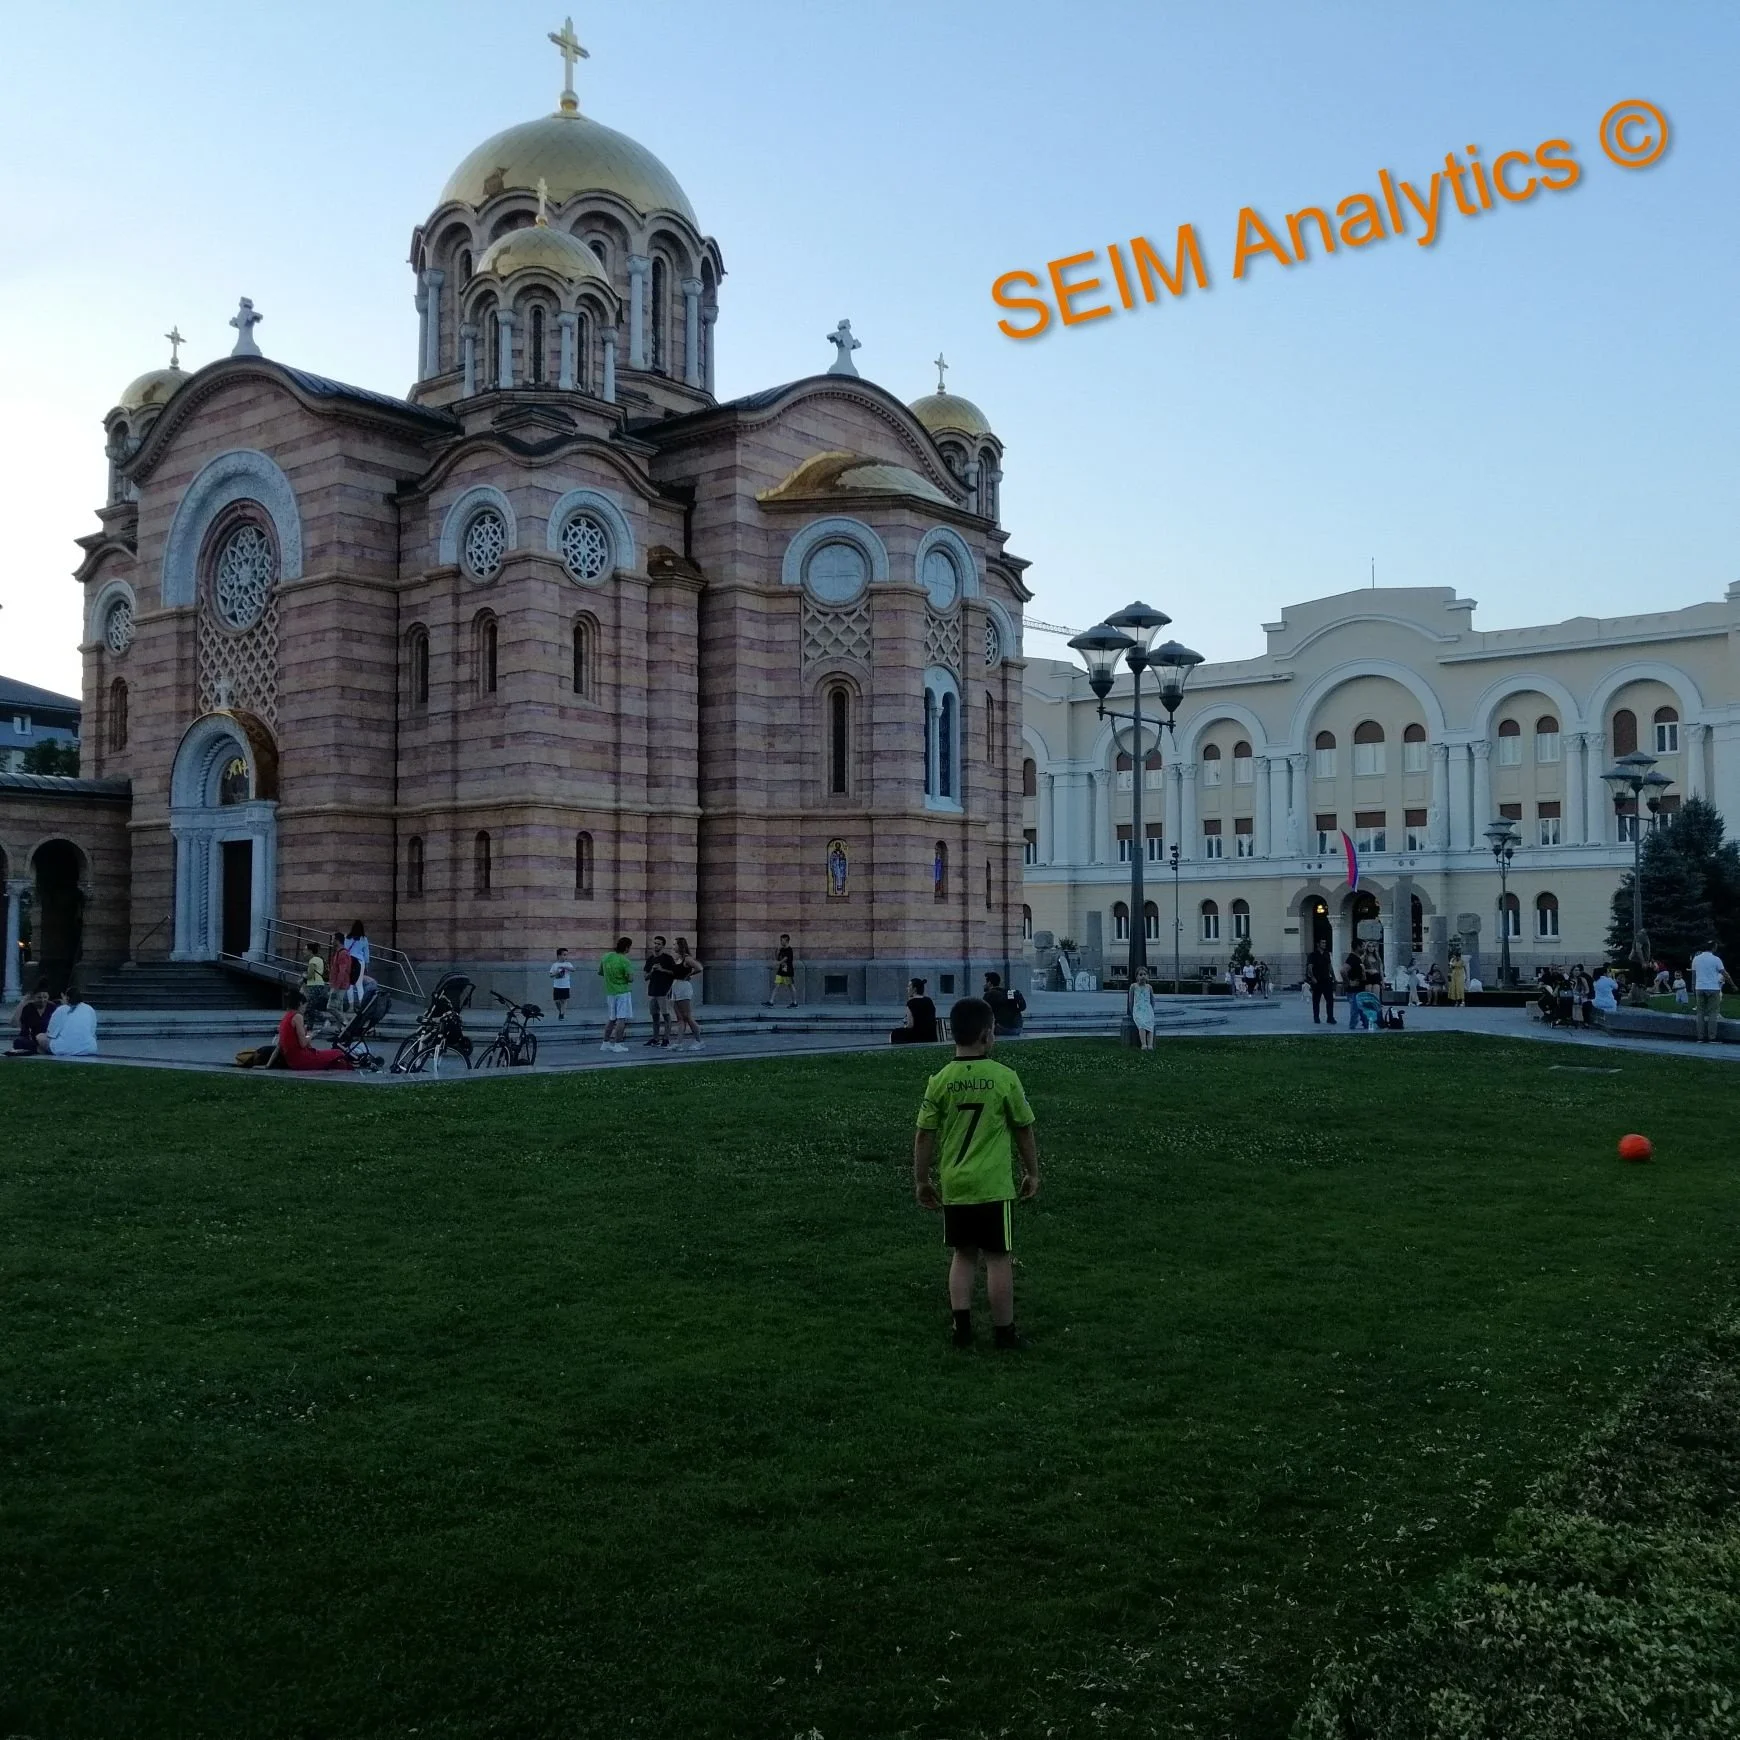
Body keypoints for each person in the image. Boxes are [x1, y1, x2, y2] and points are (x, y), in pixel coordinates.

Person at [912, 997, 1040, 1351]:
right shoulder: (1004, 1078)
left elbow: (925, 1134)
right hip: (993, 1185)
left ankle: (962, 1329)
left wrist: (922, 1180)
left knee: (963, 1254)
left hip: (955, 1183)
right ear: (988, 1034)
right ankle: (1004, 1332)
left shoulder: (940, 1080)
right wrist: (1032, 1172)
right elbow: (1023, 1129)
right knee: (998, 1257)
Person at [275, 990, 354, 1071]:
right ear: (300, 1004)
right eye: (304, 1006)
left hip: (292, 1060)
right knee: (338, 1052)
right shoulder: (297, 1016)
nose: (305, 1009)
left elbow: (280, 1044)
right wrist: (311, 1035)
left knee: (335, 1061)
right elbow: (303, 1043)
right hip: (301, 1059)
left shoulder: (286, 1017)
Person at [1689, 941, 1735, 1044]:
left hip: (1699, 987)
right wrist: (1733, 985)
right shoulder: (1716, 959)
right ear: (1713, 948)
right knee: (1713, 1013)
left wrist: (1693, 987)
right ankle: (1712, 1037)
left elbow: (1694, 975)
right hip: (1713, 988)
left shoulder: (1696, 959)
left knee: (1700, 1012)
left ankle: (1700, 1037)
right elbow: (1725, 974)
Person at [33, 987, 98, 1057]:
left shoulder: (61, 1009)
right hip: (89, 1049)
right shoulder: (89, 1009)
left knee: (40, 1036)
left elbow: (50, 1034)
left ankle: (43, 1050)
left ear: (66, 997)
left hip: (63, 1049)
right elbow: (92, 1032)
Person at [598, 937, 635, 1052]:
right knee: (621, 1018)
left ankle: (605, 1042)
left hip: (610, 991)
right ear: (627, 948)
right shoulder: (625, 960)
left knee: (611, 1018)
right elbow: (631, 978)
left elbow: (601, 972)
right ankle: (618, 1043)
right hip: (622, 991)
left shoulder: (606, 957)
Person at [643, 936, 678, 1047]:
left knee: (666, 1014)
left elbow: (674, 973)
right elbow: (645, 977)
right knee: (654, 1015)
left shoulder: (667, 958)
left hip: (664, 990)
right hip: (653, 990)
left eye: (658, 944)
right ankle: (655, 1038)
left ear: (663, 946)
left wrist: (662, 970)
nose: (656, 945)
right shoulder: (650, 959)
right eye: (655, 943)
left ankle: (666, 1039)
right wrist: (652, 971)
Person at [670, 939, 704, 1048]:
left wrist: (690, 974)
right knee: (680, 1017)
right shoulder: (678, 959)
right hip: (676, 986)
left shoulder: (687, 958)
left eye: (675, 944)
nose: (673, 946)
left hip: (683, 986)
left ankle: (699, 1041)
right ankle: (679, 1043)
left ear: (680, 946)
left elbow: (699, 967)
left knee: (687, 1016)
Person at [890, 977, 938, 1045]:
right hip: (931, 1035)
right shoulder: (929, 1001)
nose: (907, 988)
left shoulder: (911, 1003)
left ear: (914, 989)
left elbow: (910, 1025)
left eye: (909, 986)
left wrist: (905, 1027)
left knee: (894, 1033)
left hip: (917, 1035)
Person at [8, 988, 53, 1055]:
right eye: (39, 997)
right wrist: (22, 1002)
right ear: (33, 997)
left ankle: (42, 1049)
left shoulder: (52, 1007)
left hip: (46, 1039)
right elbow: (14, 1023)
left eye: (45, 997)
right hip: (32, 1040)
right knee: (18, 1042)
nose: (42, 1000)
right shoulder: (28, 1008)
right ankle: (39, 1049)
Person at [982, 971, 1026, 1035]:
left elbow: (983, 1012)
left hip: (1003, 1029)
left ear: (989, 983)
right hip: (1018, 1028)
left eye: (984, 982)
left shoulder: (989, 995)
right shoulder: (1009, 992)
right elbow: (1023, 1007)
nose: (983, 985)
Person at [1305, 942, 1336, 1025]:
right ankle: (1316, 1017)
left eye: (1325, 943)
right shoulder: (1313, 955)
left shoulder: (1326, 954)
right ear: (1318, 944)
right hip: (1317, 980)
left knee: (1330, 1000)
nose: (1324, 944)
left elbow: (1329, 966)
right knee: (1316, 1000)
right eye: (1322, 943)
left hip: (1327, 980)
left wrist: (1333, 976)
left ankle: (1330, 1017)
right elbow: (1309, 967)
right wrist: (1312, 978)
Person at [344, 920, 374, 1006]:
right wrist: (367, 965)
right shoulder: (364, 939)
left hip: (350, 961)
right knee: (359, 984)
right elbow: (366, 953)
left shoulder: (347, 938)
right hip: (360, 961)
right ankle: (361, 1004)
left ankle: (351, 1006)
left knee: (349, 984)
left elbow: (346, 950)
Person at [763, 934, 797, 1007]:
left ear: (786, 940)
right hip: (781, 970)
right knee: (776, 985)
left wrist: (776, 964)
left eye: (782, 940)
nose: (781, 942)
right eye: (780, 940)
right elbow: (778, 958)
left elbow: (785, 959)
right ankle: (771, 1002)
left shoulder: (789, 950)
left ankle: (794, 1002)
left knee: (791, 986)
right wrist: (776, 952)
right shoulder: (781, 949)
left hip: (787, 970)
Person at [1128, 967, 1157, 1051]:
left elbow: (1152, 999)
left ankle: (1150, 1044)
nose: (1143, 976)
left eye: (1145, 974)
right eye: (1140, 975)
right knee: (1142, 1025)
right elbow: (1131, 999)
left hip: (1147, 1009)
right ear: (1136, 977)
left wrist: (1151, 1009)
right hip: (1138, 1009)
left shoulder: (1149, 987)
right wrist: (1132, 1009)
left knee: (1150, 1025)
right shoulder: (1133, 986)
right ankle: (1144, 1044)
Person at [1343, 949, 1369, 1030]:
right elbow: (1343, 971)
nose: (1364, 948)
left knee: (1361, 1007)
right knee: (1355, 1008)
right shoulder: (1352, 958)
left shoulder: (1358, 959)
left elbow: (1363, 975)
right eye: (1362, 946)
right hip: (1354, 989)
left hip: (1360, 988)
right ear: (1358, 947)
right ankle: (1352, 1026)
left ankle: (1366, 1024)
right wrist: (1348, 982)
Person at [546, 946, 574, 1019]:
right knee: (557, 1001)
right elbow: (550, 975)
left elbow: (573, 969)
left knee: (564, 1000)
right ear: (559, 956)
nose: (566, 957)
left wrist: (565, 967)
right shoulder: (555, 965)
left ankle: (562, 1014)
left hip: (565, 985)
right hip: (557, 986)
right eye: (564, 955)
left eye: (566, 955)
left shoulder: (568, 964)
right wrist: (556, 973)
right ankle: (561, 1011)